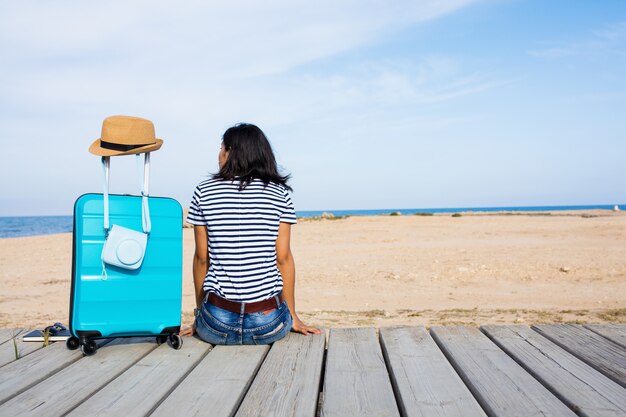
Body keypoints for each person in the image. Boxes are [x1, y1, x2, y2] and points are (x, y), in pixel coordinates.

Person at [181, 123, 320, 344]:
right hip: (268, 325)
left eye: (221, 148)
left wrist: (200, 317)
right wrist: (293, 316)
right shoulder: (279, 192)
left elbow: (201, 259)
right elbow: (283, 258)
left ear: (231, 151)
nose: (218, 154)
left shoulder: (204, 191)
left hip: (216, 326)